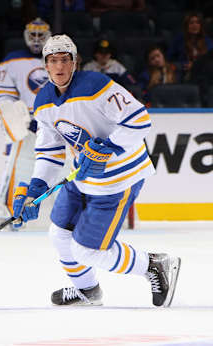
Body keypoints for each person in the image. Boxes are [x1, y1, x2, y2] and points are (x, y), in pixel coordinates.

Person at [12, 34, 181, 307]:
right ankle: (87, 290)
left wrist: (107, 147)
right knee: (59, 234)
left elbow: (140, 120)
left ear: (75, 62)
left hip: (118, 178)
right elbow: (50, 150)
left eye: (64, 60)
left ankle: (154, 265)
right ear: (45, 65)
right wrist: (36, 189)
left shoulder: (97, 85)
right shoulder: (43, 101)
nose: (59, 67)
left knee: (87, 250)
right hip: (82, 176)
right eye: (53, 61)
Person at [0, 17, 51, 224]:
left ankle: (72, 214)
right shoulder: (12, 61)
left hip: (54, 126)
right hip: (25, 126)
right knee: (17, 168)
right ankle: (8, 213)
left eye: (40, 35)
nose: (36, 40)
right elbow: (4, 96)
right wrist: (13, 116)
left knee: (63, 169)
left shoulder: (58, 58)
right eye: (33, 35)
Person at [167, 12, 213, 81]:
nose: (195, 25)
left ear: (201, 26)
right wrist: (184, 65)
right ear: (186, 26)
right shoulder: (179, 40)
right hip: (183, 71)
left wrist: (195, 65)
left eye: (197, 23)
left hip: (202, 71)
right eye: (191, 23)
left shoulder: (208, 41)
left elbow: (211, 59)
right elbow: (170, 58)